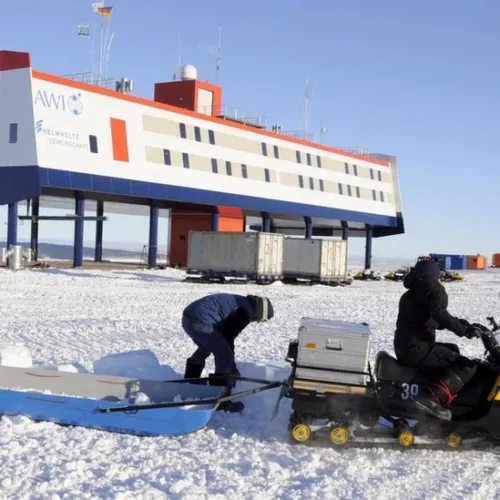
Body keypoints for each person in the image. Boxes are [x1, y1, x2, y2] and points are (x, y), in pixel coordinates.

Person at [393, 258, 481, 420]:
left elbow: (430, 320)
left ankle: (441, 393)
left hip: (405, 346)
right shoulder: (433, 289)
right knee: (465, 365)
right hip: (417, 348)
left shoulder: (411, 292)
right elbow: (439, 314)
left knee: (453, 349)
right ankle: (430, 399)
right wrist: (464, 331)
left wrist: (463, 324)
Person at [181, 293, 274, 412]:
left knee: (207, 347)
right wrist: (231, 367)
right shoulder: (245, 312)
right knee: (225, 356)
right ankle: (221, 400)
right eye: (262, 320)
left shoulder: (242, 302)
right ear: (261, 312)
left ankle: (190, 380)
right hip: (200, 321)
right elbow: (228, 337)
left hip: (188, 319)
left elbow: (226, 334)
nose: (258, 322)